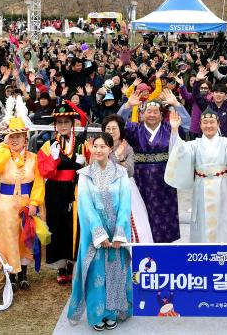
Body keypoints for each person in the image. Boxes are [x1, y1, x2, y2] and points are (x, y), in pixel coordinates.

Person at [66, 133, 132, 331]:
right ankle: (96, 314)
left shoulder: (121, 173)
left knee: (114, 271)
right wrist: (99, 233)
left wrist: (119, 233)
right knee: (96, 273)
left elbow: (125, 204)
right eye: (95, 146)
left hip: (116, 231)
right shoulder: (85, 174)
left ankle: (112, 312)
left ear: (110, 149)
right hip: (94, 233)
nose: (99, 150)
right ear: (91, 148)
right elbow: (85, 206)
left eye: (103, 146)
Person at [165, 106, 227, 242]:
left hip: (223, 187)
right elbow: (179, 151)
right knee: (202, 222)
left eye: (212, 122)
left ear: (218, 124)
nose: (209, 125)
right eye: (205, 122)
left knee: (225, 221)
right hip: (201, 187)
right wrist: (174, 130)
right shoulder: (194, 145)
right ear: (200, 125)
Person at [118, 90, 191, 243]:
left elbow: (188, 123)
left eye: (155, 112)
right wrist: (127, 106)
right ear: (142, 114)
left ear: (161, 114)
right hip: (139, 177)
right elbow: (116, 123)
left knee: (164, 214)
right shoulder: (134, 129)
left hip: (164, 177)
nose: (151, 114)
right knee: (141, 211)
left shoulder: (169, 128)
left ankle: (163, 247)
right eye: (148, 111)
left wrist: (176, 104)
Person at [0, 111, 45, 290]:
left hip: (26, 202)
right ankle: (11, 273)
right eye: (11, 136)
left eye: (19, 136)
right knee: (8, 237)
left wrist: (34, 203)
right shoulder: (2, 155)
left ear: (25, 138)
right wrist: (4, 147)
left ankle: (24, 273)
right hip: (6, 202)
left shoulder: (34, 158)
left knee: (25, 237)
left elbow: (39, 183)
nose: (15, 140)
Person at [37, 99, 89, 285]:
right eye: (60, 122)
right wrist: (54, 159)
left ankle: (73, 264)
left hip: (75, 189)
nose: (63, 125)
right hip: (55, 191)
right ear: (55, 125)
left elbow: (90, 169)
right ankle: (60, 267)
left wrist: (84, 164)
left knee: (74, 227)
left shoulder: (82, 144)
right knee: (56, 226)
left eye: (67, 121)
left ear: (72, 123)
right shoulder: (48, 145)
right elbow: (45, 172)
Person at [102, 114, 153, 243]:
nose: (111, 132)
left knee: (133, 225)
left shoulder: (127, 147)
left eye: (114, 128)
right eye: (108, 129)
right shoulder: (100, 147)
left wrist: (120, 157)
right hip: (104, 188)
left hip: (124, 186)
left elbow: (130, 171)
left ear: (120, 131)